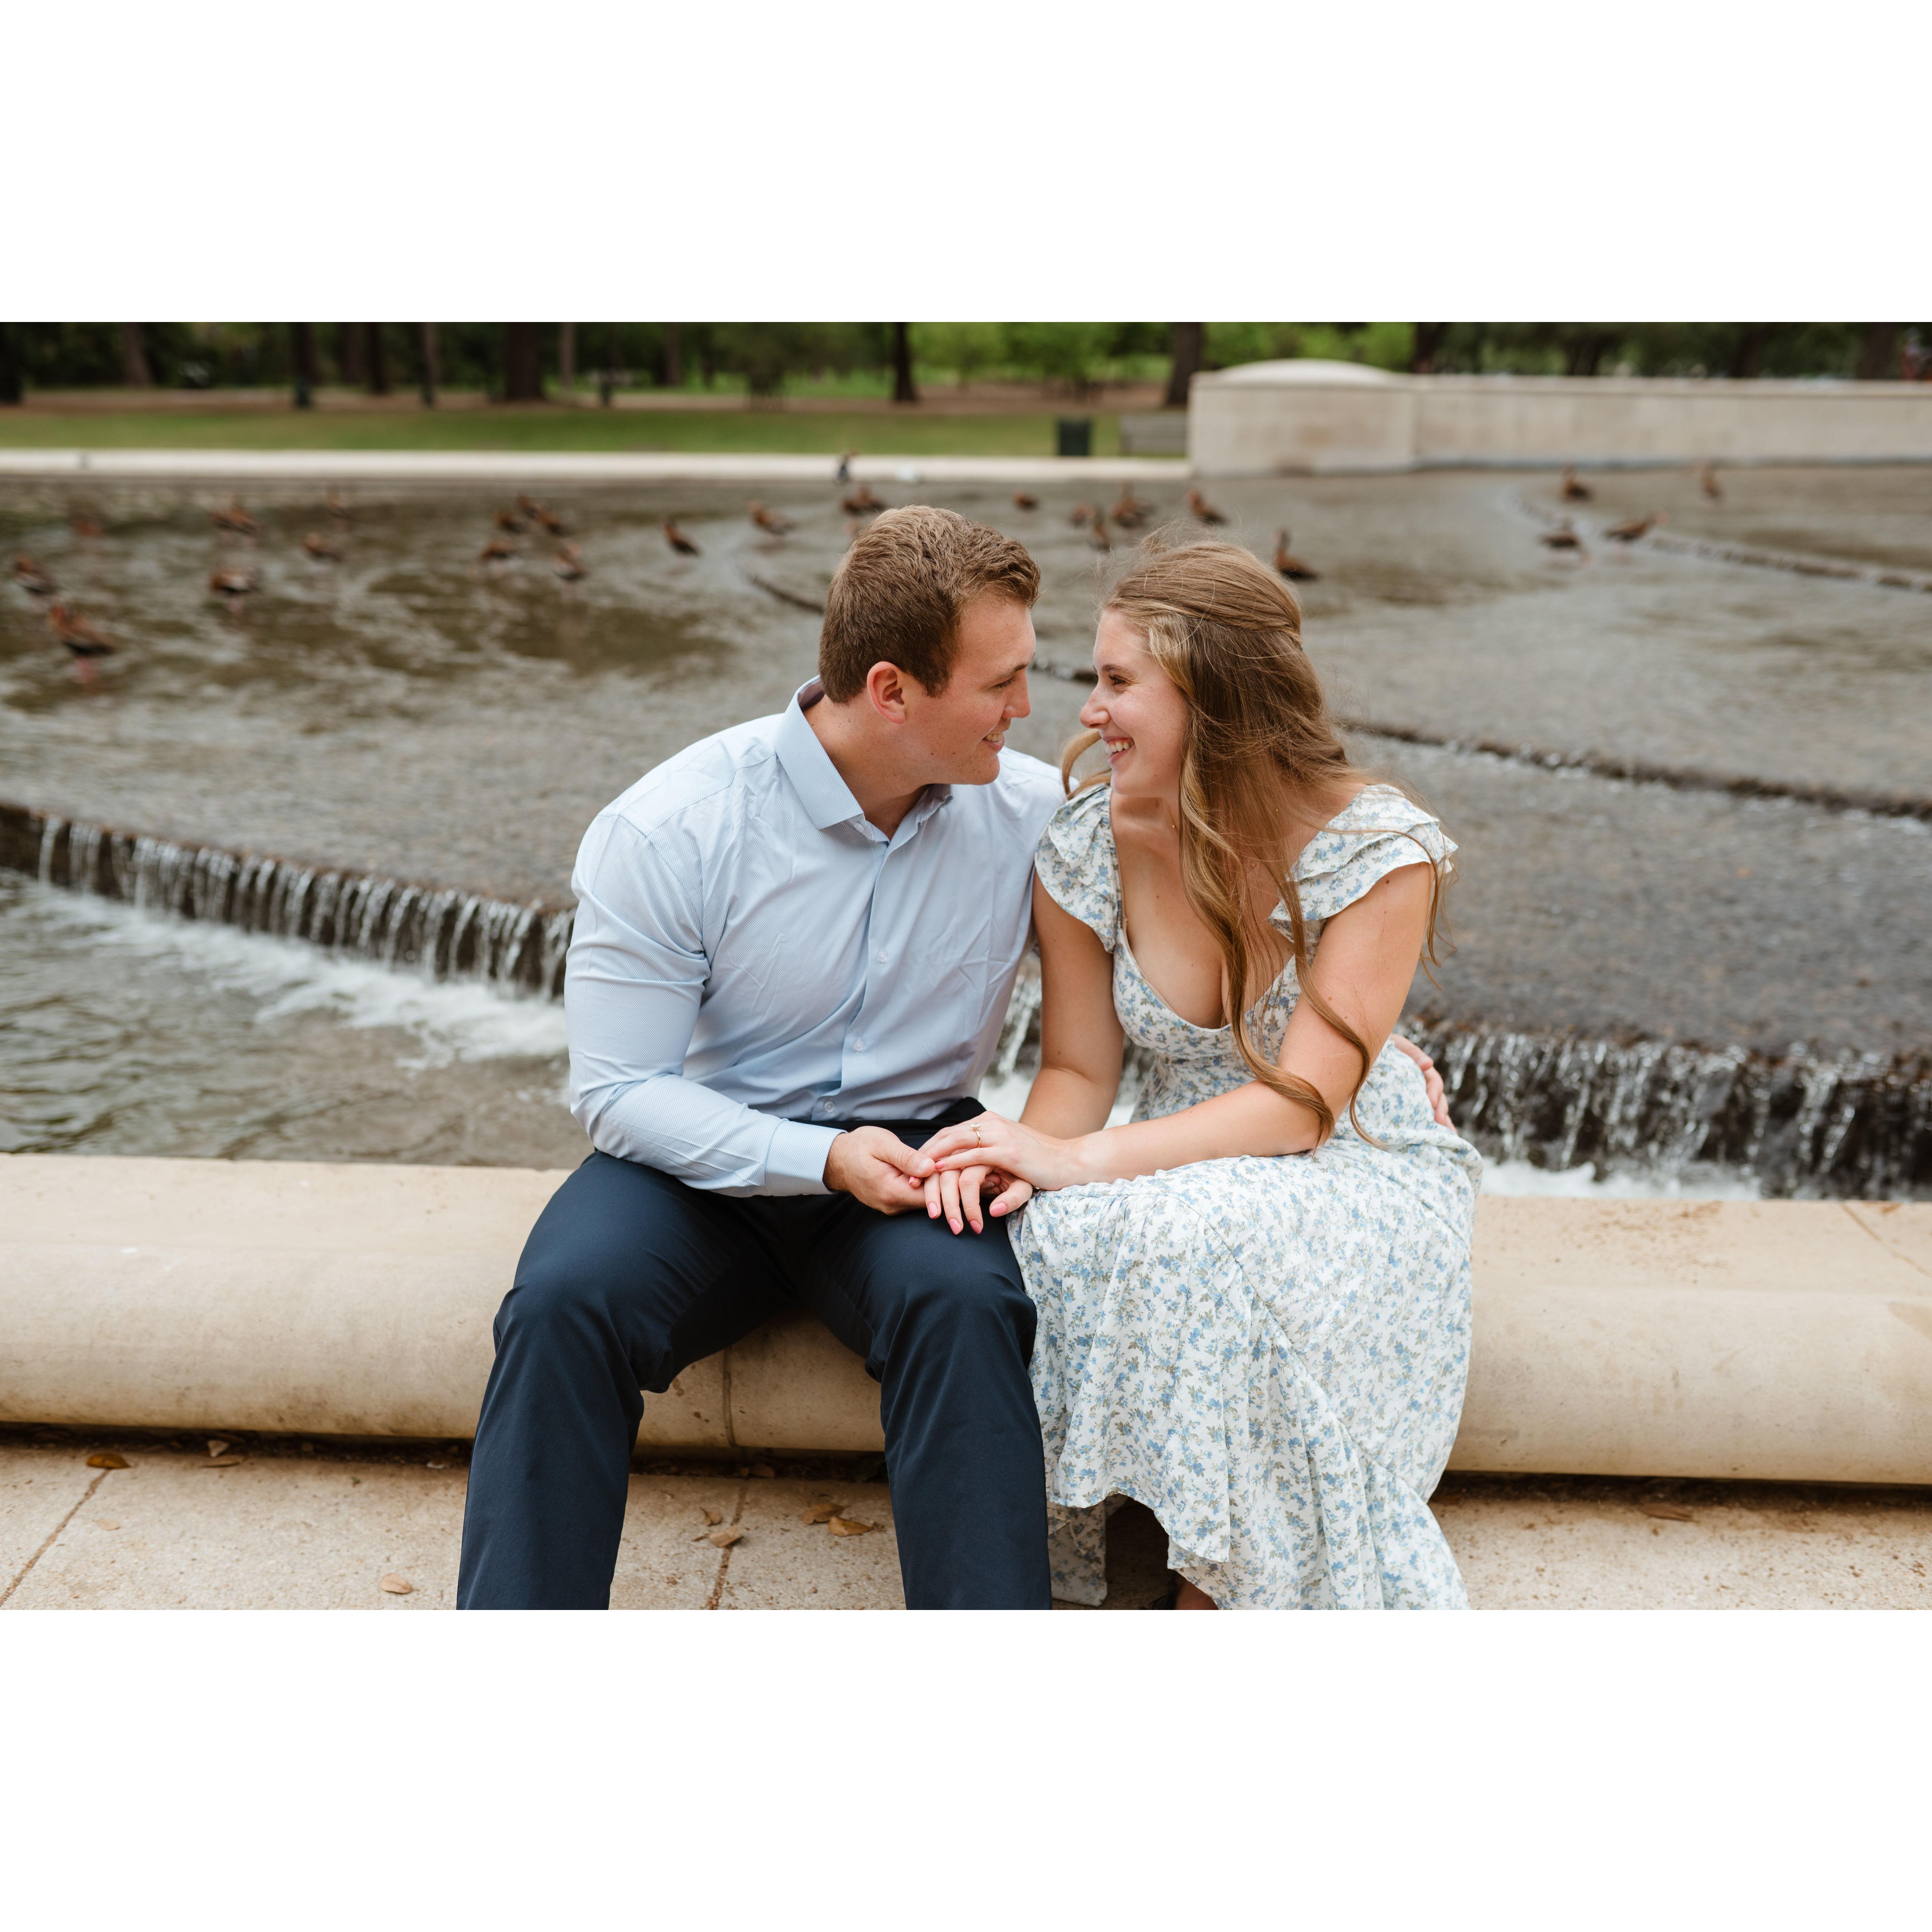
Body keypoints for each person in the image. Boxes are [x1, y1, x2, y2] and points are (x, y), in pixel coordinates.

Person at [918, 540, 1481, 1609]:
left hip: (1351, 1161)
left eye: (1118, 680)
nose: (1089, 711)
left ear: (1211, 691)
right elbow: (1079, 1067)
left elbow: (1303, 1106)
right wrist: (1027, 1154)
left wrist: (1083, 1159)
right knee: (1045, 1234)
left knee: (1196, 1238)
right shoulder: (1086, 844)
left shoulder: (1379, 850)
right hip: (1178, 1148)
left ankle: (1224, 1585)